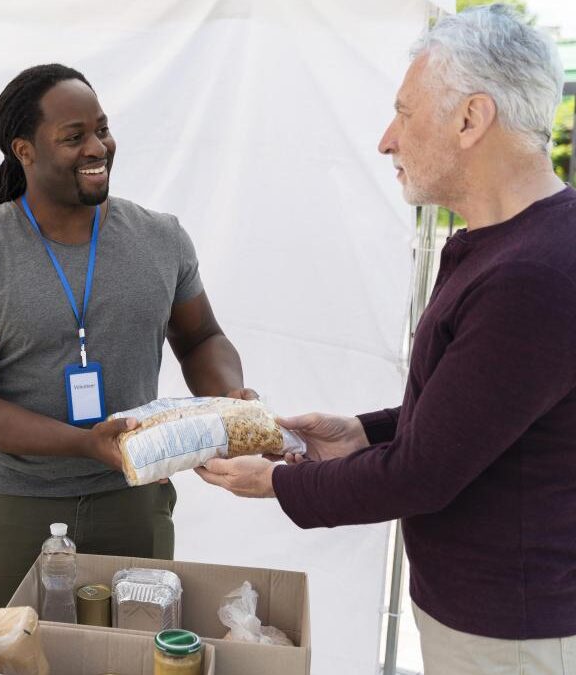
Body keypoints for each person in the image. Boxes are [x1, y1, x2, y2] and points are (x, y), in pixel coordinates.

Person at [195, 6, 576, 673]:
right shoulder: (520, 246)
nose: (385, 140)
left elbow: (424, 473)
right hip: (485, 613)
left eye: (404, 112)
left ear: (470, 119)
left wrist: (278, 483)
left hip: (506, 630)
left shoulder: (534, 272)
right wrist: (362, 431)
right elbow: (478, 414)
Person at [0, 64, 254, 614]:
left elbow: (201, 338)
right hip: (7, 504)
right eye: (74, 137)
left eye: (101, 129)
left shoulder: (160, 237)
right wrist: (81, 442)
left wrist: (230, 399)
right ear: (23, 151)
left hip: (131, 496)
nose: (97, 147)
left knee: (132, 656)